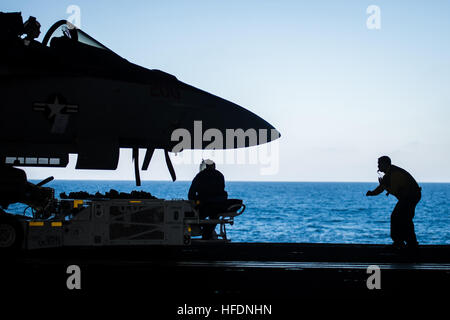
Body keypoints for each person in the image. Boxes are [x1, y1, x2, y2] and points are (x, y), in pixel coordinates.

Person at [366, 156, 421, 250]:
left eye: (380, 164)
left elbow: (393, 189)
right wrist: (372, 193)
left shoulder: (394, 173)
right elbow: (383, 187)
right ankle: (409, 243)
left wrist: (384, 185)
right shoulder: (389, 174)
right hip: (409, 197)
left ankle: (401, 242)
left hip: (410, 197)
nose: (378, 166)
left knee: (398, 217)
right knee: (404, 218)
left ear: (385, 164)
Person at [188, 160, 228, 239]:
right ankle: (208, 232)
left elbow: (191, 194)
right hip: (218, 205)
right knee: (214, 218)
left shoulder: (200, 176)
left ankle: (205, 231)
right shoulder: (220, 175)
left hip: (204, 205)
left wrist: (195, 202)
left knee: (196, 218)